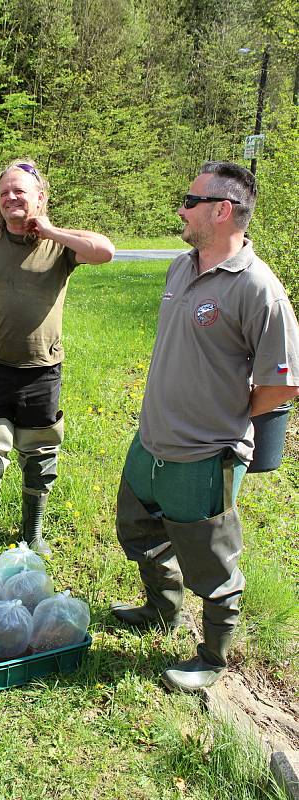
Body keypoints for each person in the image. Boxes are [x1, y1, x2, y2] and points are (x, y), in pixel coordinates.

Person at [112, 161, 299, 693]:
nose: (181, 209)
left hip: (204, 452)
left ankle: (213, 658)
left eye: (189, 201)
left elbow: (283, 384)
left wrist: (227, 421)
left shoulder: (260, 289)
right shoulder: (181, 267)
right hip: (151, 439)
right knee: (139, 528)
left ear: (222, 210)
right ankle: (161, 608)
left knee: (213, 564)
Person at [0, 159, 115, 554]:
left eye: (19, 191)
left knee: (39, 458)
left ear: (39, 197)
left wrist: (51, 230)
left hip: (42, 371)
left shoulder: (60, 245)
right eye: (3, 192)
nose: (10, 198)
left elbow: (106, 251)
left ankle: (32, 533)